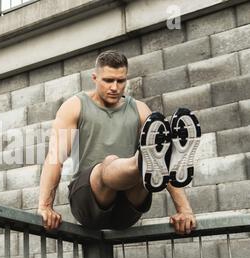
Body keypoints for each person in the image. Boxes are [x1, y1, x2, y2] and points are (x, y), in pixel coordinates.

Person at [37, 50, 201, 235]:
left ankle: (144, 160)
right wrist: (45, 206)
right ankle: (141, 159)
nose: (115, 87)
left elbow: (165, 167)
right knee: (109, 163)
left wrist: (184, 211)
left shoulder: (140, 110)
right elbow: (55, 157)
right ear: (94, 78)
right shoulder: (75, 106)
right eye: (108, 80)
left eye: (120, 81)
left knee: (150, 168)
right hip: (88, 203)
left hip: (127, 209)